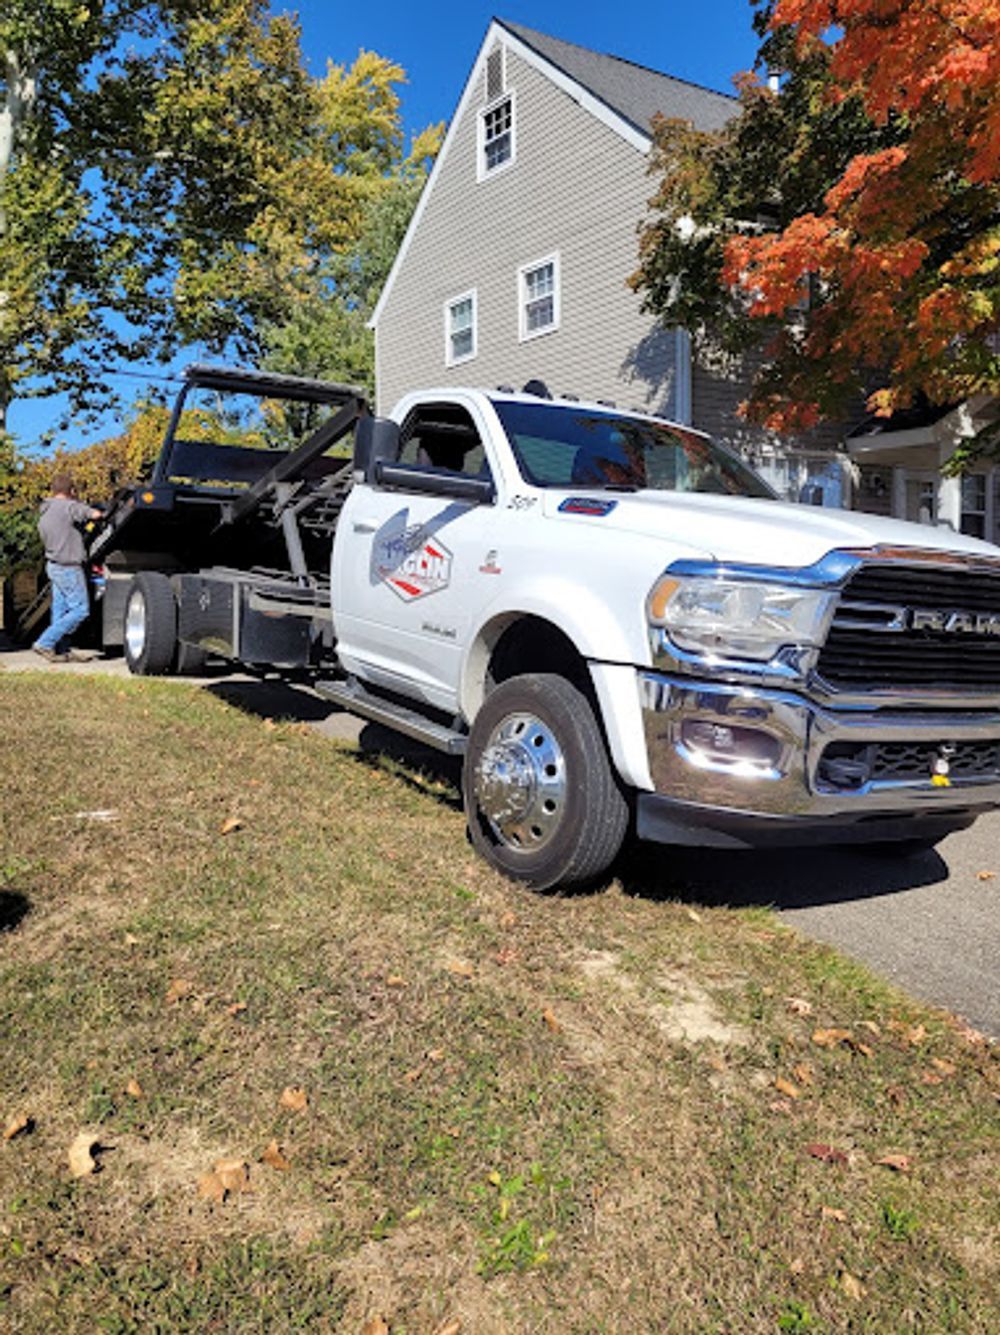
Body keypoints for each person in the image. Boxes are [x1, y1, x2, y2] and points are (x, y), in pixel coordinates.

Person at [33, 473, 103, 663]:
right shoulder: (70, 507)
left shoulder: (45, 511)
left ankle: (61, 650)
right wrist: (97, 511)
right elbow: (95, 514)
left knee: (60, 610)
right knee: (80, 610)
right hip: (69, 567)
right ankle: (44, 643)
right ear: (71, 491)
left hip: (54, 566)